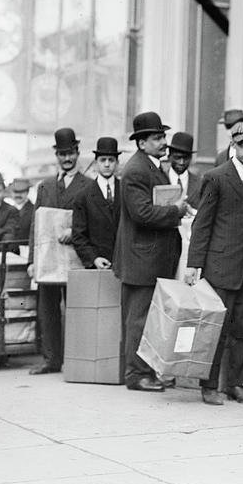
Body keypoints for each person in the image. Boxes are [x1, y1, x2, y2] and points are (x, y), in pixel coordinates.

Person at [185, 121, 243, 405]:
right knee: (216, 329)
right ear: (232, 144)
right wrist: (193, 264)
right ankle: (209, 386)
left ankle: (237, 383)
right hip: (221, 266)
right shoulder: (216, 177)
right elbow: (202, 223)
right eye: (242, 144)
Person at [114, 112, 188, 392]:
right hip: (141, 259)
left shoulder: (151, 166)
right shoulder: (136, 170)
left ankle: (144, 371)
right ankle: (136, 375)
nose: (163, 142)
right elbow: (142, 212)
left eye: (163, 136)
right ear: (141, 143)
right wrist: (176, 211)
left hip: (148, 258)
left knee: (145, 318)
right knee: (138, 319)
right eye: (157, 138)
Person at [27, 128, 89, 375]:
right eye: (62, 154)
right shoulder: (46, 186)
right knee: (48, 308)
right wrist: (32, 260)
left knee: (76, 308)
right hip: (48, 258)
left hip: (77, 257)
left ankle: (76, 358)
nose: (67, 158)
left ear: (77, 153)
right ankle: (51, 359)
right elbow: (36, 224)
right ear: (57, 156)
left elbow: (93, 221)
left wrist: (75, 231)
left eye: (71, 153)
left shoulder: (88, 185)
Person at [71, 137, 121, 269]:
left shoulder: (127, 191)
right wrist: (94, 258)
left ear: (117, 163)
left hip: (124, 263)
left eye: (111, 160)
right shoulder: (83, 196)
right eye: (102, 160)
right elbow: (78, 236)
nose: (107, 164)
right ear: (95, 163)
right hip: (98, 265)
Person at [165, 131, 201, 209]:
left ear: (191, 158)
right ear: (169, 157)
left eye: (185, 158)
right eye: (177, 158)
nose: (181, 162)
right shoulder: (160, 179)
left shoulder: (200, 183)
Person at [9, 178, 34, 245]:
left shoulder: (34, 210)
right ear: (11, 192)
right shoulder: (7, 209)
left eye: (21, 192)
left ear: (27, 192)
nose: (18, 195)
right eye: (15, 192)